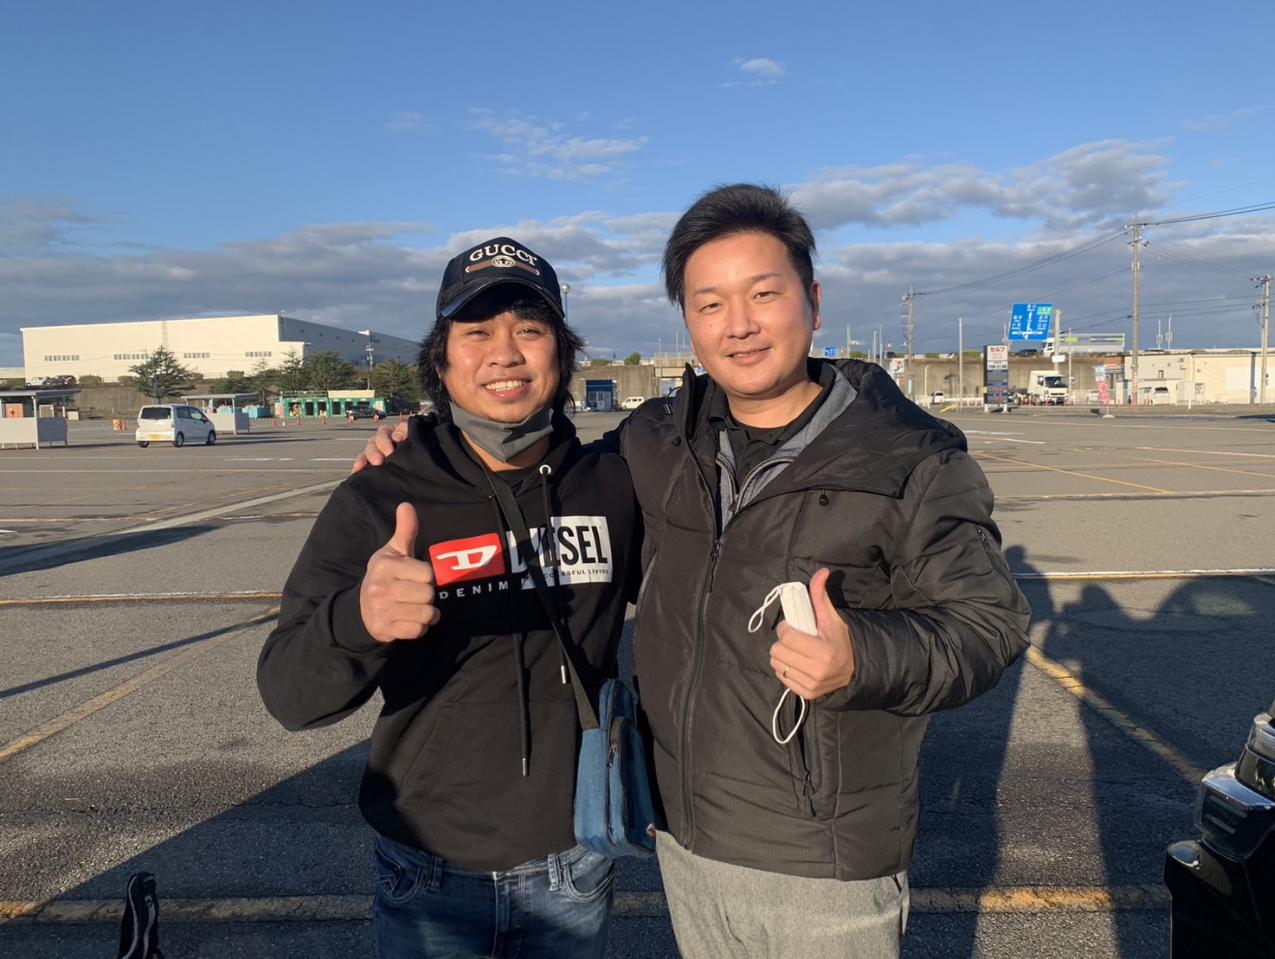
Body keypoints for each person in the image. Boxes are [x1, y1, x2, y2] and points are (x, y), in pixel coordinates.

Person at [356, 185, 1031, 958]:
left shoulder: (909, 457)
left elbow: (990, 624)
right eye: (710, 303)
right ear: (689, 320)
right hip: (684, 840)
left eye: (763, 294)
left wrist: (864, 656)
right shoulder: (659, 440)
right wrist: (429, 439)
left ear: (813, 302)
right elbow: (549, 469)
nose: (738, 324)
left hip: (824, 864)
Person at [259, 236, 639, 959]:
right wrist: (359, 620)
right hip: (427, 870)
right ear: (440, 362)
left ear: (564, 356)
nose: (505, 354)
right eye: (477, 333)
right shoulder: (381, 495)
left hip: (577, 859)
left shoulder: (614, 484)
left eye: (530, 330)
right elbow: (287, 695)